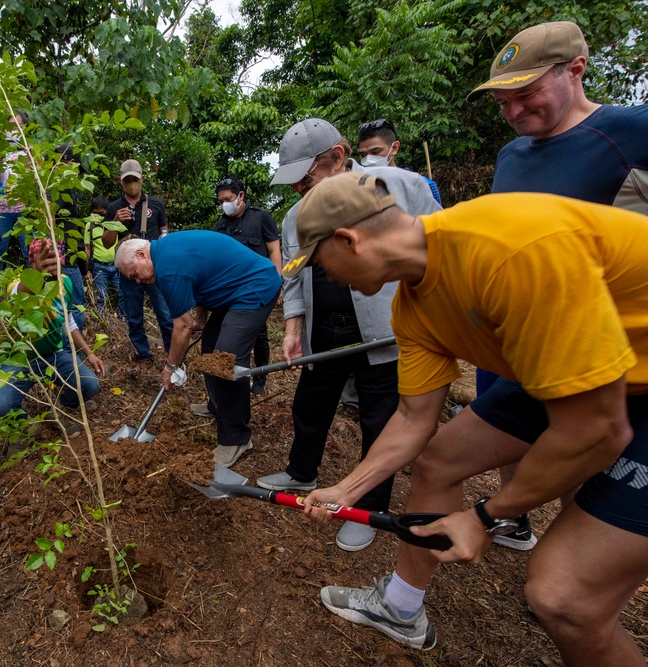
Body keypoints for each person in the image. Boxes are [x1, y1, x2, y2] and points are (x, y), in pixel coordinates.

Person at [295, 172, 648, 666]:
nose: (325, 278)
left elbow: (596, 429)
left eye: (318, 263)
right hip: (576, 366)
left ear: (348, 240)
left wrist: (485, 517)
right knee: (440, 459)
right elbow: (415, 419)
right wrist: (348, 489)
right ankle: (401, 608)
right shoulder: (412, 307)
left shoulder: (508, 250)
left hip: (624, 383)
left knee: (564, 599)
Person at [469, 20, 648, 551]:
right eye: (502, 102)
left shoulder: (631, 132)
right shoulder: (511, 156)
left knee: (582, 468)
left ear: (576, 70)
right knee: (510, 445)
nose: (514, 111)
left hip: (605, 352)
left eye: (526, 94)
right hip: (519, 343)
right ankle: (513, 524)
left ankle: (570, 562)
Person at [258, 118, 440, 552]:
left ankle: (367, 509)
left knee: (379, 417)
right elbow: (294, 278)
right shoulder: (294, 216)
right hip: (327, 329)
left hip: (384, 331)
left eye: (307, 178)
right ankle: (302, 471)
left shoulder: (397, 185)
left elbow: (432, 246)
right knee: (310, 403)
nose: (299, 190)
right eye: (294, 184)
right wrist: (294, 325)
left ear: (338, 157)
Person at [115, 231, 280, 467]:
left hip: (255, 287)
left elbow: (182, 325)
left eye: (134, 275)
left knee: (225, 359)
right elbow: (202, 280)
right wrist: (202, 319)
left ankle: (237, 438)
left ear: (142, 255)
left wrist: (171, 366)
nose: (138, 281)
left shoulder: (168, 268)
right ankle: (218, 406)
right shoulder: (165, 252)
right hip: (232, 292)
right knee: (210, 349)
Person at [0, 238, 104, 432]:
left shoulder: (64, 283)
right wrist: (36, 274)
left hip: (54, 354)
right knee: (0, 407)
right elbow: (18, 293)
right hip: (21, 358)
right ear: (31, 263)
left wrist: (90, 354)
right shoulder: (16, 283)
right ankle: (27, 424)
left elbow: (69, 322)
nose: (50, 265)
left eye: (54, 260)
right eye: (43, 260)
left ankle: (58, 407)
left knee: (90, 384)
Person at [208, 177, 281, 396]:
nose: (224, 204)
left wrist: (277, 284)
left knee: (259, 335)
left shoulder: (261, 218)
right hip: (230, 291)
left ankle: (260, 380)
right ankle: (241, 378)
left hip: (258, 288)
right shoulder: (219, 226)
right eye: (220, 201)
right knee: (232, 336)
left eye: (228, 199)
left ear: (241, 195)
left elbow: (274, 251)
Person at [102, 159, 174, 364]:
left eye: (135, 179)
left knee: (165, 314)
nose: (132, 184)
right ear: (120, 182)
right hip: (128, 271)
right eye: (128, 180)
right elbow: (107, 244)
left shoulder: (156, 205)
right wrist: (115, 222)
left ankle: (173, 354)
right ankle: (143, 354)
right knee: (134, 316)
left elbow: (165, 233)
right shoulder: (114, 208)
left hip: (153, 268)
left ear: (143, 179)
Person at [0, 110, 31, 283]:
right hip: (0, 208)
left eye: (19, 126)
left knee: (28, 250)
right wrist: (2, 153)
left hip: (24, 209)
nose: (14, 129)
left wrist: (29, 157)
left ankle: (33, 288)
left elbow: (32, 178)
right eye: (12, 125)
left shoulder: (27, 149)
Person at [356, 119, 442, 206]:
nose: (368, 158)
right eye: (363, 155)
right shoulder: (358, 186)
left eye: (375, 152)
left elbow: (436, 218)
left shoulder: (421, 184)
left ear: (394, 148)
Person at [52, 144, 88, 336]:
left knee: (69, 302)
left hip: (69, 254)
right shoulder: (60, 185)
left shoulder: (60, 184)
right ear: (71, 163)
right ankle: (71, 348)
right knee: (76, 303)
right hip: (65, 255)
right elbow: (49, 215)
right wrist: (56, 252)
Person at [84, 196, 124, 316]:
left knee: (123, 294)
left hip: (117, 265)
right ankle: (102, 323)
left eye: (101, 213)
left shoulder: (115, 224)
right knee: (101, 297)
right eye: (95, 213)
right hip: (99, 266)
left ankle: (125, 321)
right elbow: (87, 248)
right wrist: (87, 270)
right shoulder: (90, 226)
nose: (98, 217)